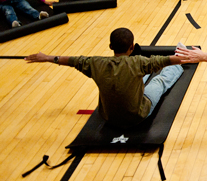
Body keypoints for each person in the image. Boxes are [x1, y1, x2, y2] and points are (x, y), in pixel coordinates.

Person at [25, 28, 184, 128]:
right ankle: (178, 68)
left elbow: (72, 60)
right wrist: (191, 56)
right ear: (132, 47)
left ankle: (147, 73)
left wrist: (48, 57)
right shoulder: (138, 61)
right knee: (159, 81)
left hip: (109, 118)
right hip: (137, 116)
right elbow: (166, 60)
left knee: (140, 73)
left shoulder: (95, 63)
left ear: (110, 47)